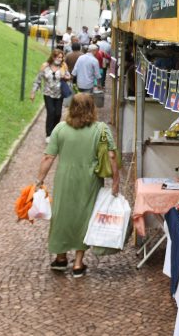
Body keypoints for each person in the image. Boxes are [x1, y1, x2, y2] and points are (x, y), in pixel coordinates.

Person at [34, 93, 119, 277]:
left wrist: (39, 181)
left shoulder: (60, 129)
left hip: (65, 178)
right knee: (85, 217)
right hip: (90, 181)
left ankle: (61, 258)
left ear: (71, 108)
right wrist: (116, 183)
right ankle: (78, 264)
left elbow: (48, 157)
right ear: (92, 108)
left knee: (62, 215)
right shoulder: (101, 129)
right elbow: (112, 156)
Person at [30, 49, 72, 141]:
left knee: (57, 114)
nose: (60, 59)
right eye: (58, 57)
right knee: (51, 112)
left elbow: (69, 76)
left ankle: (54, 131)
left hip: (59, 94)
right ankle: (48, 134)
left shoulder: (63, 66)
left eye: (61, 57)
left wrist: (65, 77)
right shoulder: (45, 66)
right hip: (48, 93)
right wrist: (33, 92)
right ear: (53, 57)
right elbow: (38, 80)